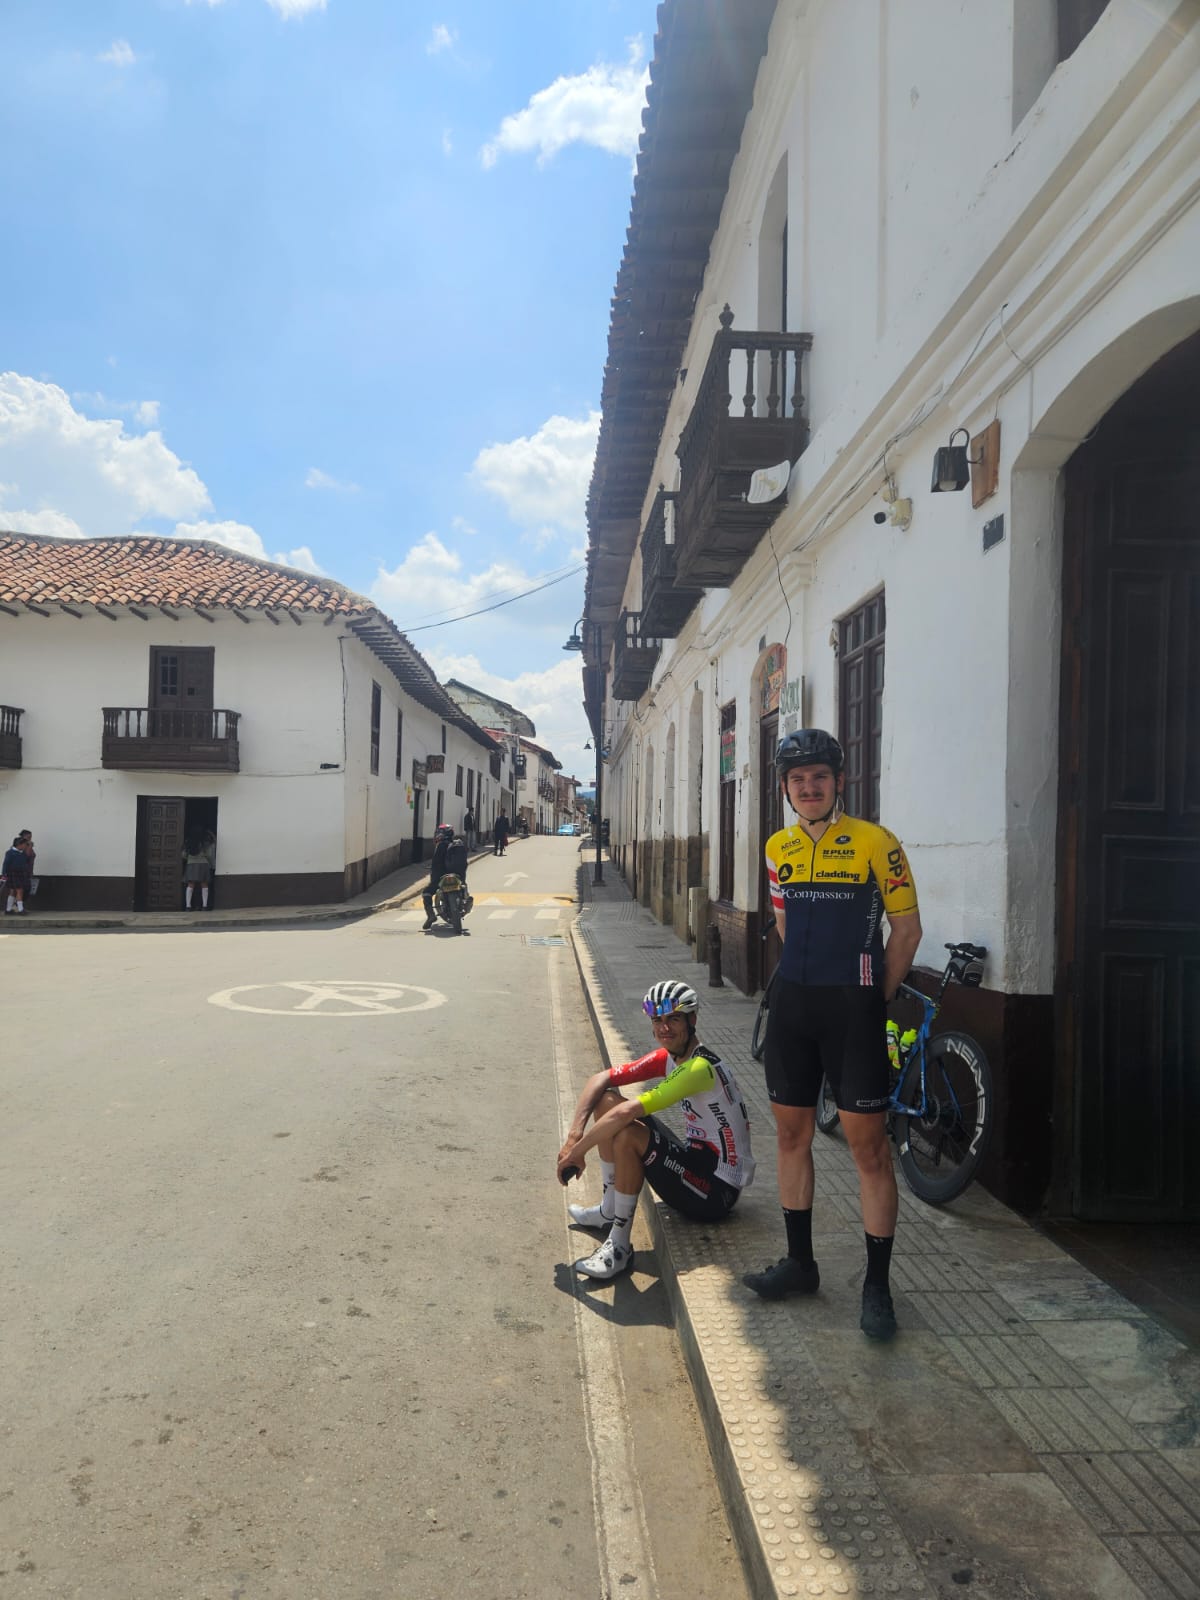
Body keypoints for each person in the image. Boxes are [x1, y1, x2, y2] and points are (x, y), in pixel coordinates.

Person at [742, 729, 922, 1341]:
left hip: (854, 1011)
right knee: (791, 1136)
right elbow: (785, 925)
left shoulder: (877, 842)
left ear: (839, 781)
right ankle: (800, 1264)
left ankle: (877, 1287)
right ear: (785, 788)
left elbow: (907, 931)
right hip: (793, 1007)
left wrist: (875, 997)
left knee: (869, 1151)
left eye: (819, 776)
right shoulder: (778, 847)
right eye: (797, 780)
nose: (809, 787)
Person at [556, 980, 755, 1281]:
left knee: (628, 1133)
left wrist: (576, 1153)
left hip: (716, 1192)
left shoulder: (699, 1069)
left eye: (674, 1019)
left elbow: (628, 1113)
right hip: (695, 1161)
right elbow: (601, 1078)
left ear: (692, 1020)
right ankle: (609, 1208)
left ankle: (619, 1247)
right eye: (657, 1020)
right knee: (607, 1100)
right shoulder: (671, 1058)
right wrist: (574, 1136)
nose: (664, 1028)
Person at [422, 823, 456, 930]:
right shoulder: (456, 845)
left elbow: (436, 864)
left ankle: (431, 915)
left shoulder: (440, 846)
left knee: (426, 892)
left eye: (439, 833)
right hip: (455, 877)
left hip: (440, 879)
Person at [182, 832, 215, 910]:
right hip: (203, 864)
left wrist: (190, 858)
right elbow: (209, 855)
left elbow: (183, 855)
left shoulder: (187, 842)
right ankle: (204, 906)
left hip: (191, 864)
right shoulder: (204, 842)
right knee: (204, 884)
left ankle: (188, 906)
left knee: (190, 884)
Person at [3, 835, 31, 914]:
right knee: (20, 890)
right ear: (19, 844)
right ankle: (21, 909)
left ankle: (8, 910)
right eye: (25, 844)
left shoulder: (23, 853)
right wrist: (4, 874)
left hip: (21, 873)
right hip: (13, 873)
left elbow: (27, 861)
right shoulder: (10, 853)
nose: (26, 846)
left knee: (13, 891)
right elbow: (5, 864)